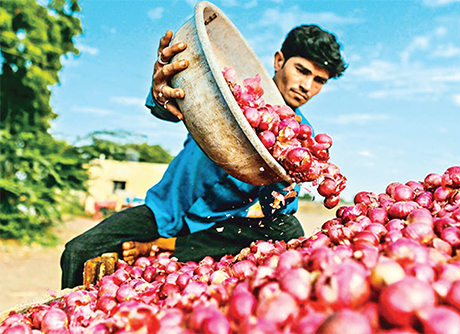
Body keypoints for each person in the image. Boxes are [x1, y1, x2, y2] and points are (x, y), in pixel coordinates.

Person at [60, 24, 347, 289]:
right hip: (165, 211)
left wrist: (287, 183)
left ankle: (167, 246)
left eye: (319, 80)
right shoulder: (231, 93)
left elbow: (277, 212)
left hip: (217, 228)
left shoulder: (302, 139)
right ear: (279, 60)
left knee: (289, 228)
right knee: (78, 251)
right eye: (302, 70)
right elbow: (170, 106)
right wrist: (161, 91)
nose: (307, 86)